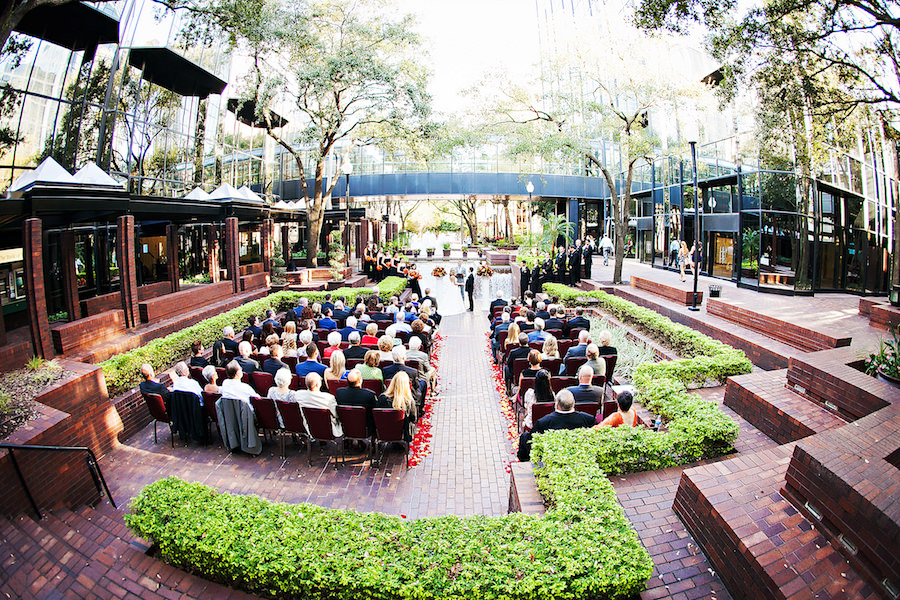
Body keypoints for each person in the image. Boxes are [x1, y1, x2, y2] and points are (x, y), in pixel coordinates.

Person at [517, 390, 595, 461]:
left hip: (551, 457)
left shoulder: (543, 422)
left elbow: (532, 441)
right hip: (580, 455)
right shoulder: (588, 419)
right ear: (573, 404)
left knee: (524, 437)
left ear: (556, 404)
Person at [376, 371, 416, 441]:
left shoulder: (382, 398)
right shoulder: (409, 401)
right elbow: (413, 418)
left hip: (384, 430)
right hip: (402, 433)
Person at [335, 369, 377, 435]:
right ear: (360, 380)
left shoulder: (339, 392)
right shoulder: (369, 395)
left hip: (346, 428)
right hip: (365, 429)